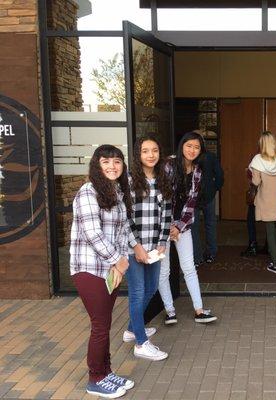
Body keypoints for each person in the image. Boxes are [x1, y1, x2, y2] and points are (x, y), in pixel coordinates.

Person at [70, 145, 134, 399]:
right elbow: (93, 234)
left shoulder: (116, 191)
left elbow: (123, 229)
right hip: (89, 269)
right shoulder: (88, 192)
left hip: (110, 269)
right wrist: (118, 260)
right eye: (106, 161)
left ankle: (107, 372)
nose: (112, 166)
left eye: (117, 161)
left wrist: (124, 258)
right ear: (96, 165)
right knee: (100, 325)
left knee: (104, 324)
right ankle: (95, 378)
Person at [158, 131, 217, 325]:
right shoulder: (168, 165)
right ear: (182, 145)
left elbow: (192, 202)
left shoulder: (198, 170)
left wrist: (180, 226)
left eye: (197, 147)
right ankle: (170, 311)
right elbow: (162, 198)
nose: (192, 150)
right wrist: (169, 227)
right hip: (162, 226)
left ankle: (199, 310)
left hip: (183, 227)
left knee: (189, 268)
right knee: (164, 271)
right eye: (189, 145)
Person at [124, 136, 172, 361]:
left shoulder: (164, 178)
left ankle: (133, 329)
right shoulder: (130, 180)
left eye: (154, 150)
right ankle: (141, 344)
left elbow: (168, 213)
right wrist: (137, 246)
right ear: (138, 155)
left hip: (155, 247)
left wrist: (163, 242)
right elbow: (124, 217)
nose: (151, 155)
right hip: (133, 247)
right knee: (137, 293)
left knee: (152, 288)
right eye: (145, 151)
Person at [250, 131, 276, 273]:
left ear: (262, 143)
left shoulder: (257, 159)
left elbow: (256, 181)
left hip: (267, 199)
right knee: (275, 229)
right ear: (273, 142)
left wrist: (250, 172)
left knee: (270, 231)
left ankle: (275, 264)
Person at [192, 138, 224, 265]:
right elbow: (220, 175)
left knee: (193, 227)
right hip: (209, 194)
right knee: (210, 224)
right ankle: (211, 253)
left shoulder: (190, 157)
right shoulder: (211, 156)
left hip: (193, 195)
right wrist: (215, 188)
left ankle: (197, 257)